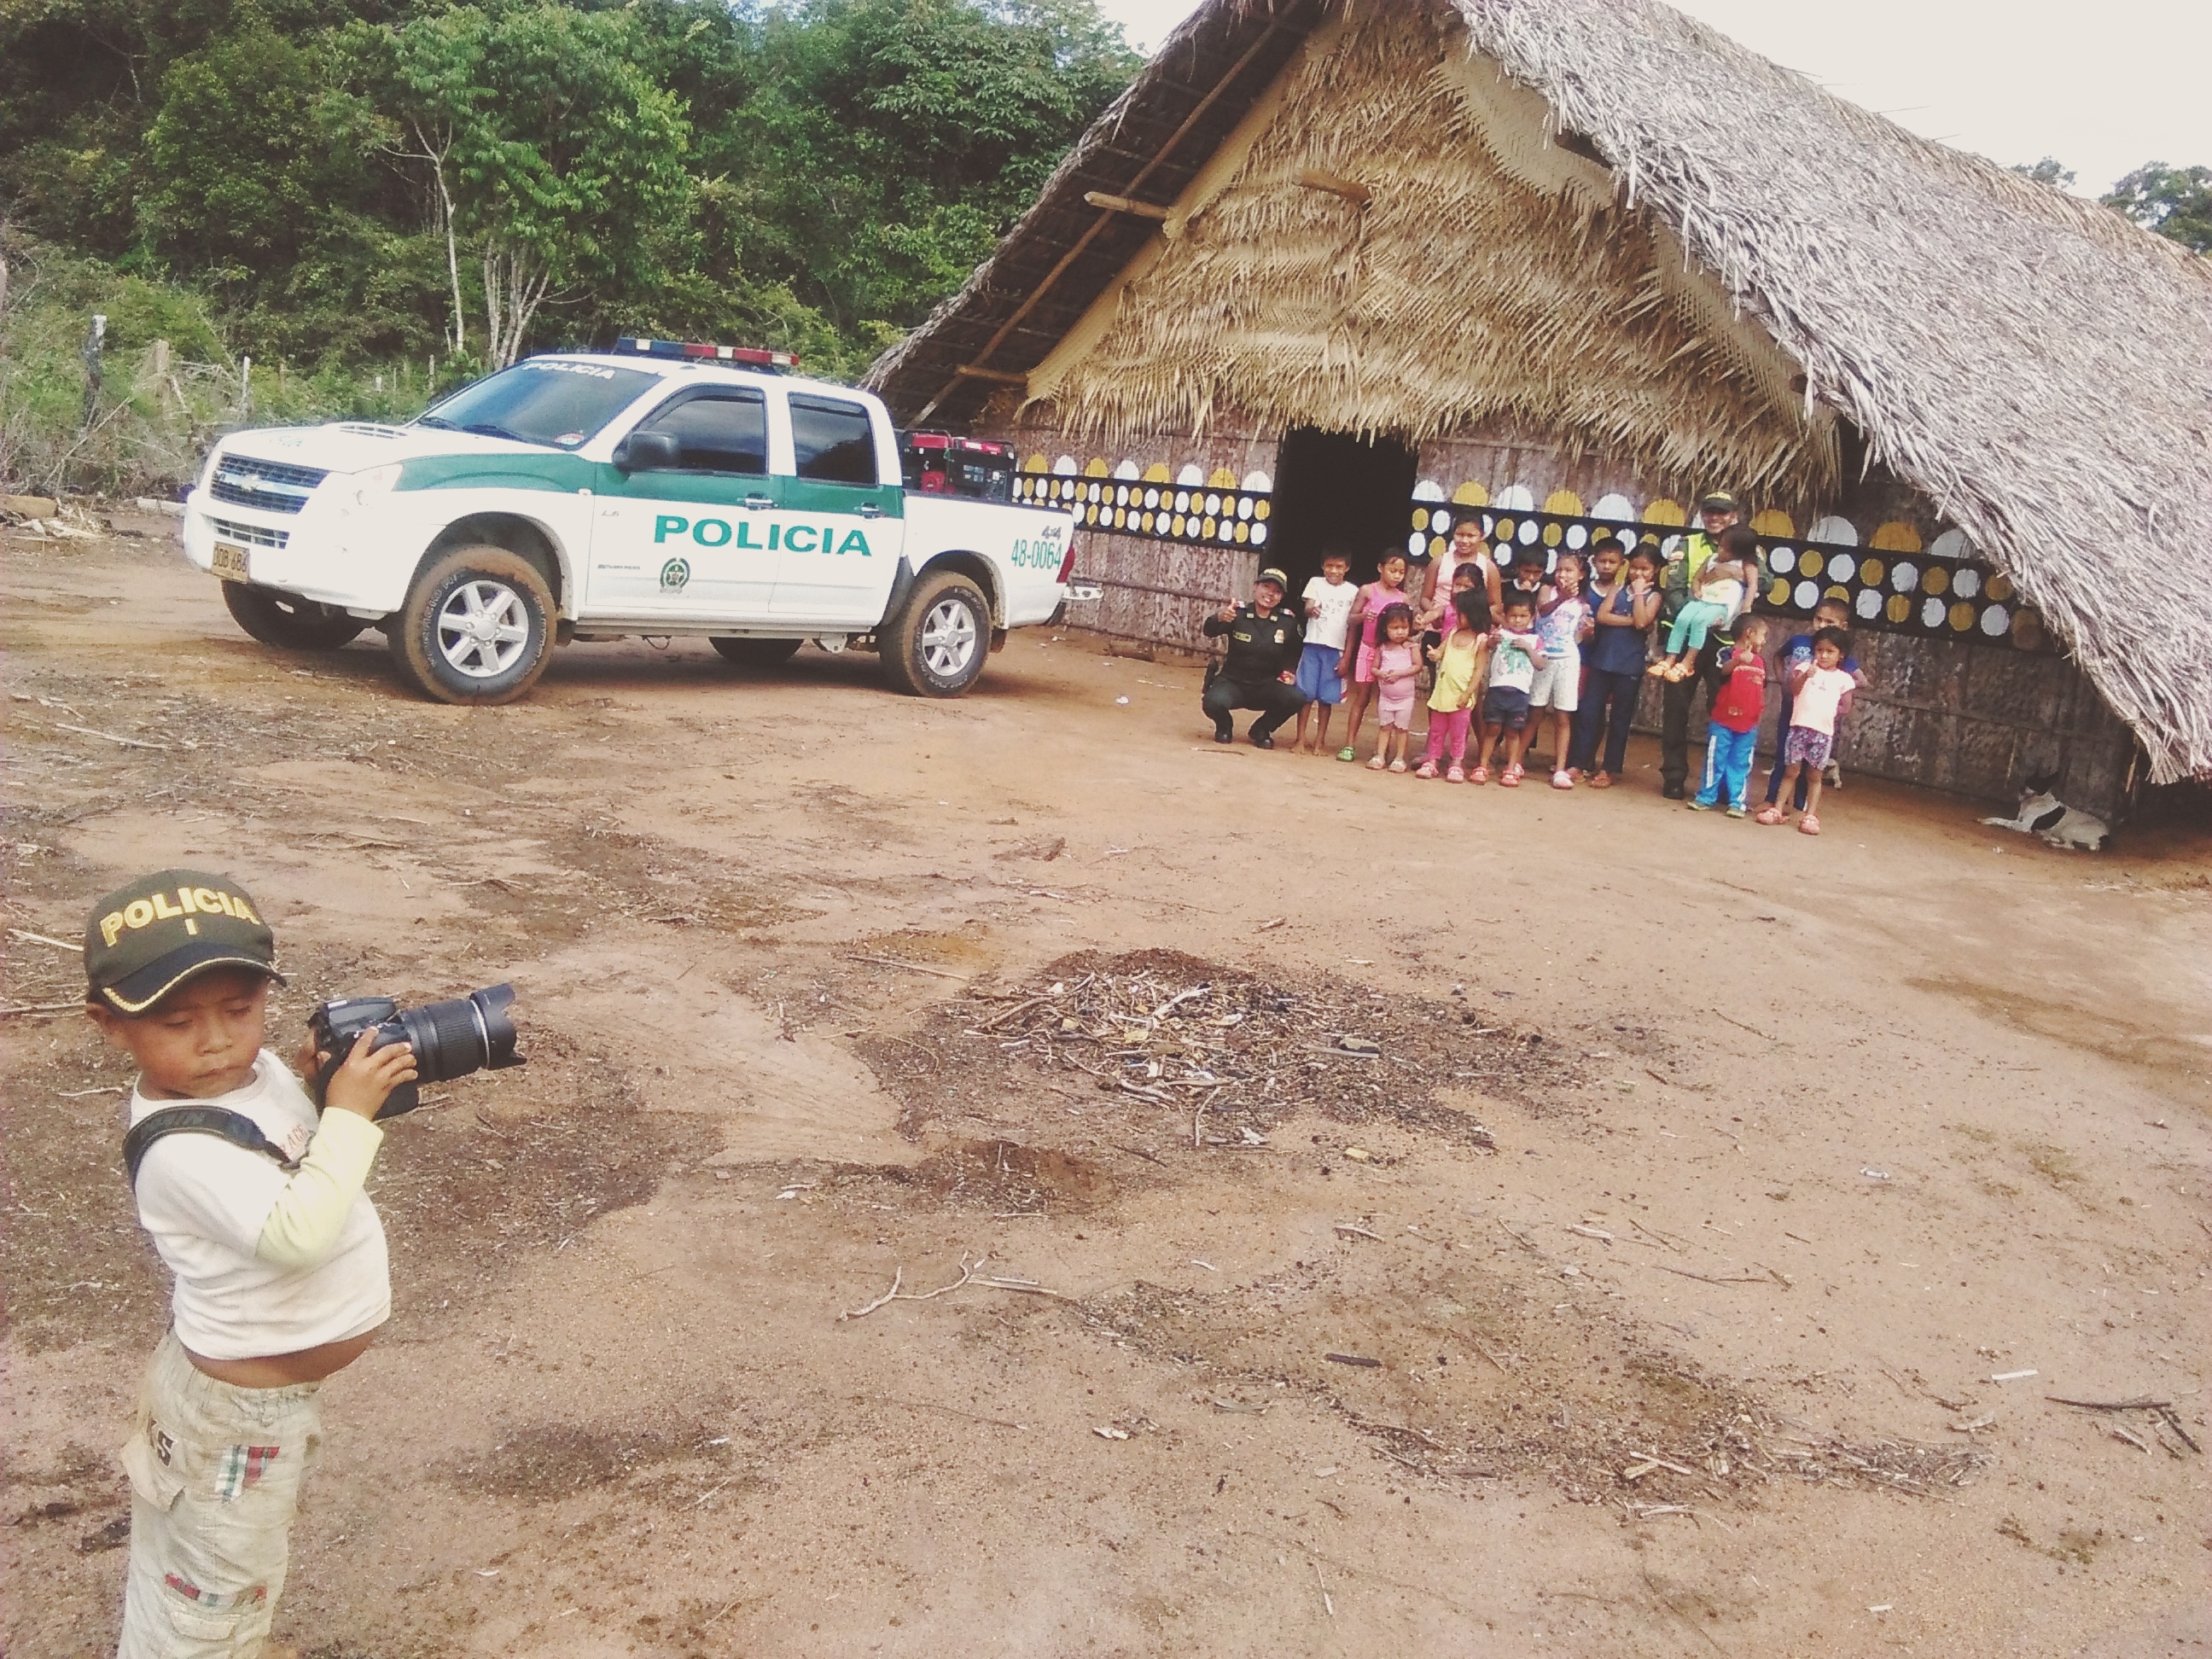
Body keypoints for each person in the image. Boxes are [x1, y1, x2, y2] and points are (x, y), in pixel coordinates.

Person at [86, 869, 417, 1659]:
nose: (215, 1041)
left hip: (256, 1405)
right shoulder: (180, 1151)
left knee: (212, 1565)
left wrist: (310, 1084)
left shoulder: (254, 1073)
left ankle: (228, 1640)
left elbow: (285, 1141)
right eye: (177, 1022)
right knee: (213, 1577)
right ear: (110, 1026)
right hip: (234, 1424)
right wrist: (348, 1116)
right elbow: (297, 1232)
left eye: (239, 1011)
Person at [1658, 492, 1743, 799]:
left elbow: (1767, 582)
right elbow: (1674, 588)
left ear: (1734, 515)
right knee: (1676, 709)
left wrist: (1734, 571)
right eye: (1710, 512)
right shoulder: (1688, 544)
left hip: (1724, 641)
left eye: (1722, 512)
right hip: (1688, 636)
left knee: (1723, 711)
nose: (1715, 518)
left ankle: (1717, 782)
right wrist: (1697, 619)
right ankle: (1674, 777)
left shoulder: (1746, 545)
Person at [1763, 597, 1869, 812]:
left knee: (1811, 765)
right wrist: (1784, 680)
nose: (1821, 625)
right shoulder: (1799, 641)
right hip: (1792, 712)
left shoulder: (1840, 655)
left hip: (1819, 721)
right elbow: (1778, 656)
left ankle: (1801, 805)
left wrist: (1831, 695)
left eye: (1828, 621)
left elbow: (1862, 681)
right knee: (1785, 757)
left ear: (1843, 627)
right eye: (1818, 619)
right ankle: (1772, 801)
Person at [1571, 538, 1661, 788]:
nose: (1638, 573)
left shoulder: (1653, 596)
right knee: (1589, 713)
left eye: (1645, 569)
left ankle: (1609, 769)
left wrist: (1640, 595)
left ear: (1655, 571)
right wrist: (1632, 620)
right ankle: (1579, 762)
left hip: (1629, 666)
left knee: (1620, 719)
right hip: (1602, 661)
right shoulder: (1618, 589)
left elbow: (1644, 621)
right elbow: (1602, 616)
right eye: (1635, 568)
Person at [1759, 626, 1856, 834]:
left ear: (1841, 656)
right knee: (1790, 771)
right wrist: (1805, 676)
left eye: (1830, 652)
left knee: (1815, 776)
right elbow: (1793, 690)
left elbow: (1846, 706)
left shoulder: (1844, 679)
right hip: (1798, 728)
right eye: (1820, 650)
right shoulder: (1803, 668)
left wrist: (1829, 712)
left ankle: (1810, 815)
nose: (1824, 655)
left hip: (1822, 733)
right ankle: (1777, 809)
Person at [1202, 567, 1306, 748]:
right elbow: (1209, 631)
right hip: (1233, 683)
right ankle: (1225, 726)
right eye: (1266, 587)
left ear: (1281, 597)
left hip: (1266, 685)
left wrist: (1289, 672)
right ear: (1255, 587)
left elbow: (1294, 650)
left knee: (1296, 698)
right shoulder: (1237, 614)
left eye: (1277, 591)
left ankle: (1261, 729)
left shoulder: (1287, 622)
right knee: (1212, 702)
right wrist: (1220, 617)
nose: (1270, 594)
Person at [1334, 550, 1413, 762]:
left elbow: (1407, 627)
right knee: (1362, 698)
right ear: (1380, 568)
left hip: (1391, 654)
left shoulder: (1403, 598)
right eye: (1392, 570)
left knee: (1385, 699)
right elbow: (1350, 620)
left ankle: (1383, 749)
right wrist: (1363, 616)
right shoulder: (1368, 591)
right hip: (1368, 649)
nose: (1397, 576)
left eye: (1401, 572)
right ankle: (1349, 744)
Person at [1689, 615, 1771, 817]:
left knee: (1741, 763)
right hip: (1723, 721)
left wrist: (1759, 713)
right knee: (1715, 759)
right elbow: (1721, 673)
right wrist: (1737, 661)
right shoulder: (1726, 653)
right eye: (1763, 635)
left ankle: (1737, 802)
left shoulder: (1760, 662)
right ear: (1750, 634)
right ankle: (1706, 797)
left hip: (1748, 725)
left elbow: (1760, 689)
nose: (1765, 641)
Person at [1650, 523, 1755, 680]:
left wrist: (1746, 607)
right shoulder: (1711, 559)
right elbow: (1697, 578)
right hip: (1702, 601)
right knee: (1683, 619)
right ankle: (1670, 659)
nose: (1719, 550)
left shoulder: (1745, 565)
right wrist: (1697, 589)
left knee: (1699, 622)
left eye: (1726, 549)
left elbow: (1754, 585)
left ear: (1739, 553)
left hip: (1722, 606)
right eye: (1720, 545)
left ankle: (1688, 662)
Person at [1528, 550, 1591, 789]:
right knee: (1535, 711)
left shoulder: (1582, 604)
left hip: (1568, 660)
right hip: (1544, 658)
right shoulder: (1548, 591)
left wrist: (1587, 633)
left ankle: (1561, 768)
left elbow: (1575, 638)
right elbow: (1543, 611)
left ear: (1581, 574)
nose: (1562, 575)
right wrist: (1562, 598)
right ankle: (1515, 761)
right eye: (1559, 570)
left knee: (1563, 715)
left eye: (1569, 570)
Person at [1416, 587, 1493, 781]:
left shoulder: (1481, 640)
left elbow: (1478, 671)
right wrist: (1434, 654)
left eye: (1460, 613)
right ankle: (1433, 760)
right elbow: (1440, 653)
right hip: (1443, 692)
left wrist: (1468, 693)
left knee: (1459, 731)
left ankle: (1456, 763)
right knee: (1437, 729)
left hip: (1461, 694)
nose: (1456, 616)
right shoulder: (1452, 633)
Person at [1470, 594, 1546, 786]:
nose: (1518, 620)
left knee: (1513, 732)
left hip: (1519, 695)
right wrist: (1492, 641)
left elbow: (1541, 664)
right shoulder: (1500, 633)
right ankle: (1483, 765)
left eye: (1523, 616)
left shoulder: (1535, 640)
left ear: (1532, 617)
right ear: (1506, 615)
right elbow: (1486, 647)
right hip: (1497, 690)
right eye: (1513, 616)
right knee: (1492, 729)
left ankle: (1511, 768)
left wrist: (1528, 649)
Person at [1293, 552, 1357, 755]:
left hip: (1336, 649)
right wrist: (1311, 610)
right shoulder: (1315, 583)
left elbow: (1353, 626)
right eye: (1329, 566)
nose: (1334, 571)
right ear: (1322, 566)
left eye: (1339, 567)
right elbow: (1308, 606)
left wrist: (1347, 656)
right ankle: (1300, 739)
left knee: (1326, 699)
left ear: (1347, 568)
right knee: (1305, 696)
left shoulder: (1353, 591)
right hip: (1313, 645)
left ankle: (1320, 741)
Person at [1420, 516, 1503, 633]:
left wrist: (1475, 617)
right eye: (1460, 535)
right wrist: (1436, 614)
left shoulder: (1489, 567)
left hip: (1470, 632)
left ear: (1482, 536)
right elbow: (1425, 598)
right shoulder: (1439, 562)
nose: (1464, 541)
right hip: (1437, 629)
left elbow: (1496, 605)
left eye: (1471, 536)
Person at [1365, 603, 1421, 772]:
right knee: (1385, 726)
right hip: (1386, 697)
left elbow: (1418, 666)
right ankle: (1380, 755)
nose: (1400, 632)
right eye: (1395, 628)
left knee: (1402, 728)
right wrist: (1381, 674)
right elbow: (1374, 668)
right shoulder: (1382, 648)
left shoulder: (1412, 647)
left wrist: (1399, 674)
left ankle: (1399, 757)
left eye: (1404, 627)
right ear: (1385, 629)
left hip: (1405, 698)